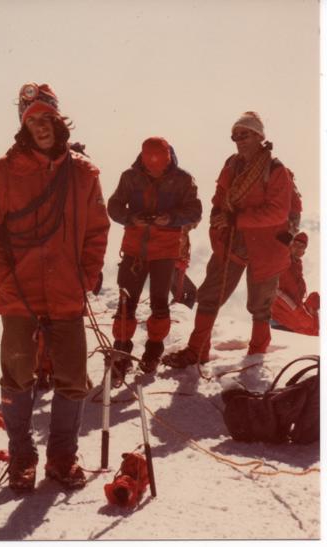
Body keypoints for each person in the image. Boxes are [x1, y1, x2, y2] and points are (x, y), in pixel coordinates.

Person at [0, 83, 110, 491]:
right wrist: (6, 280)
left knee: (72, 378)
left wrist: (85, 275)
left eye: (47, 118)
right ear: (23, 126)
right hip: (19, 298)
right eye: (33, 121)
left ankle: (62, 458)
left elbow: (97, 231)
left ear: (58, 121)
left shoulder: (83, 174)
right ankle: (22, 457)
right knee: (16, 377)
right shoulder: (2, 173)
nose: (41, 127)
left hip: (66, 295)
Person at [163, 112, 293, 368]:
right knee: (210, 294)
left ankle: (256, 356)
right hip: (233, 241)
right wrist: (218, 218)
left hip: (265, 246)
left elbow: (278, 212)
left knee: (260, 305)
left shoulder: (276, 170)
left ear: (258, 136)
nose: (238, 140)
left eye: (244, 134)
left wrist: (235, 220)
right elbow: (221, 196)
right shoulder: (232, 165)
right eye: (235, 135)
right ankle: (197, 350)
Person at [107, 137, 202, 385]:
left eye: (159, 163)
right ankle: (122, 353)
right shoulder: (130, 177)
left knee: (158, 304)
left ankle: (152, 352)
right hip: (136, 250)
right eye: (151, 164)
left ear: (168, 157)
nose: (155, 167)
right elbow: (115, 206)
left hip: (163, 251)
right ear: (144, 158)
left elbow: (195, 211)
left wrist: (169, 218)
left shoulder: (182, 180)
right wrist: (132, 218)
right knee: (127, 304)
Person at [271, 231, 319, 336]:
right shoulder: (283, 261)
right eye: (296, 243)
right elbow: (275, 291)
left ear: (304, 252)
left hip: (291, 314)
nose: (298, 247)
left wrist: (308, 309)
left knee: (315, 299)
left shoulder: (297, 267)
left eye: (302, 246)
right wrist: (298, 311)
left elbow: (296, 297)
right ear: (291, 245)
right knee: (311, 330)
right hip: (281, 316)